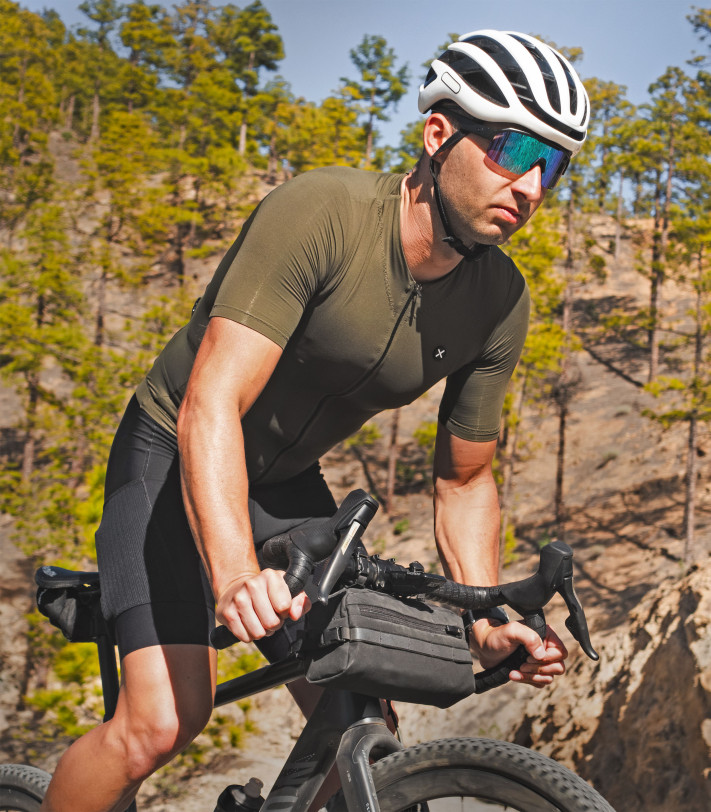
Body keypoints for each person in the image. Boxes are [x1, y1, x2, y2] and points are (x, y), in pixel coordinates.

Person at [40, 29, 590, 812]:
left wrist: (485, 619)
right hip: (171, 449)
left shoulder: (499, 300)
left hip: (286, 483)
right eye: (512, 149)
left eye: (553, 164)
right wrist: (233, 573)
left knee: (357, 716)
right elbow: (210, 405)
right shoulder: (322, 214)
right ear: (439, 135)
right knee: (161, 722)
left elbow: (464, 479)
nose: (531, 185)